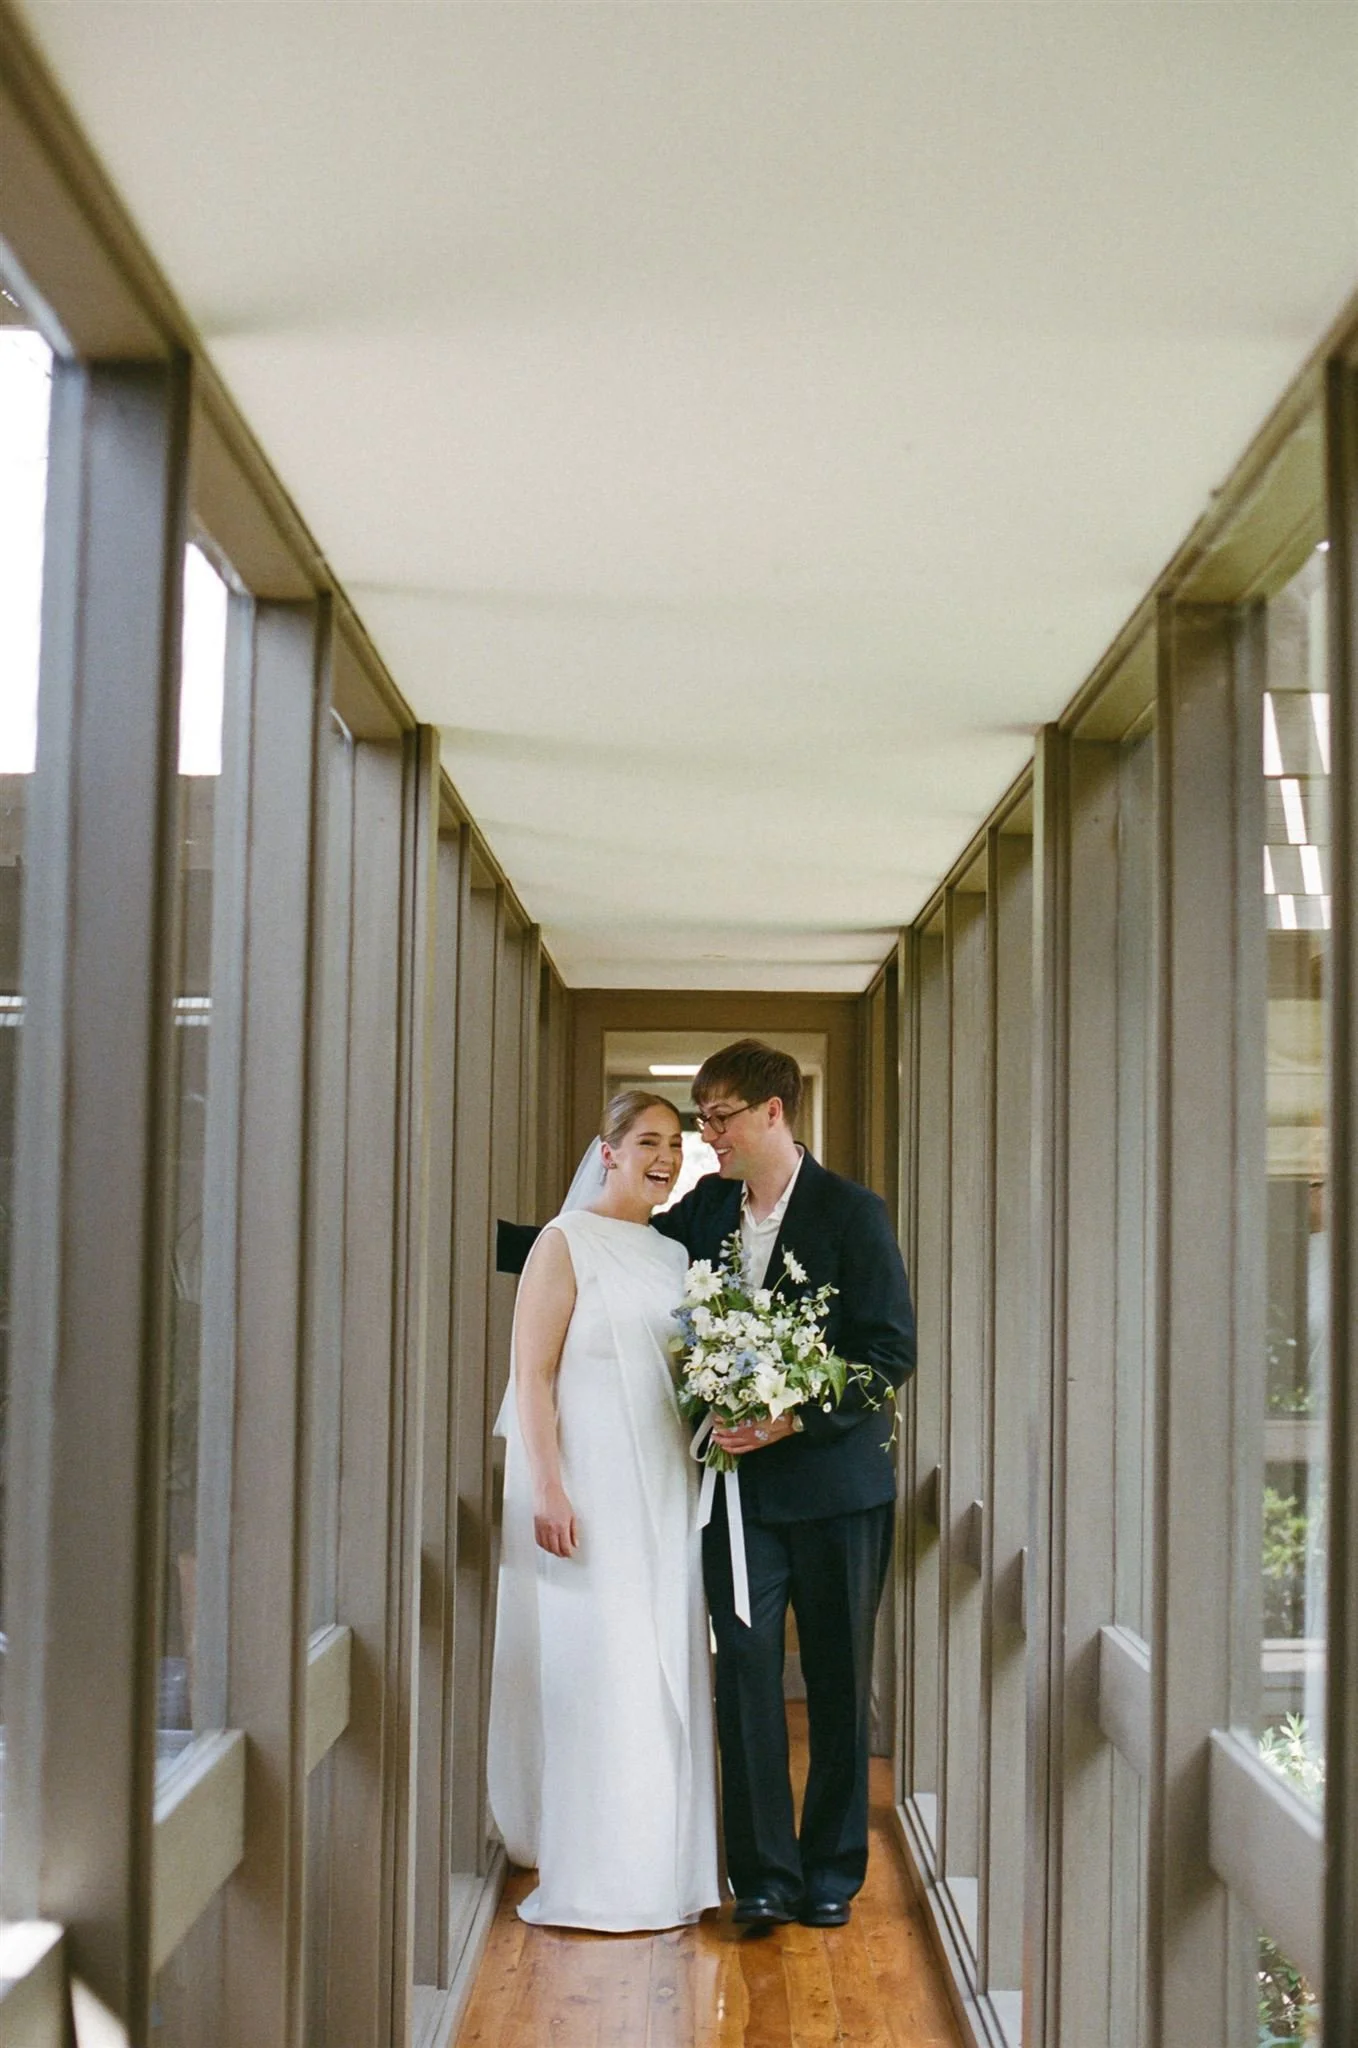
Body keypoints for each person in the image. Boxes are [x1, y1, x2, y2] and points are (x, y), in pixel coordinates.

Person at [653, 1039, 915, 1930]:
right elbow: (620, 1256)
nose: (708, 1135)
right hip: (741, 1502)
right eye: (701, 1119)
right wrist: (524, 1244)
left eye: (720, 1117)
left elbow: (890, 1356)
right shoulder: (706, 1207)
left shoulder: (853, 1212)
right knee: (748, 1680)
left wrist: (793, 1416)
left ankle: (833, 1872)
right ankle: (761, 1876)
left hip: (840, 1494)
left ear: (774, 1111)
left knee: (839, 1684)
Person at [486, 1091, 721, 1932]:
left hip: (663, 1488)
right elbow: (533, 1376)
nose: (665, 1156)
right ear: (608, 1149)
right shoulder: (564, 1243)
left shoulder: (670, 1253)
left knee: (662, 1662)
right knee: (603, 1664)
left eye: (677, 1144)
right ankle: (601, 1870)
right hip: (586, 1492)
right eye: (648, 1141)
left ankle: (663, 1864)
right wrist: (548, 1485)